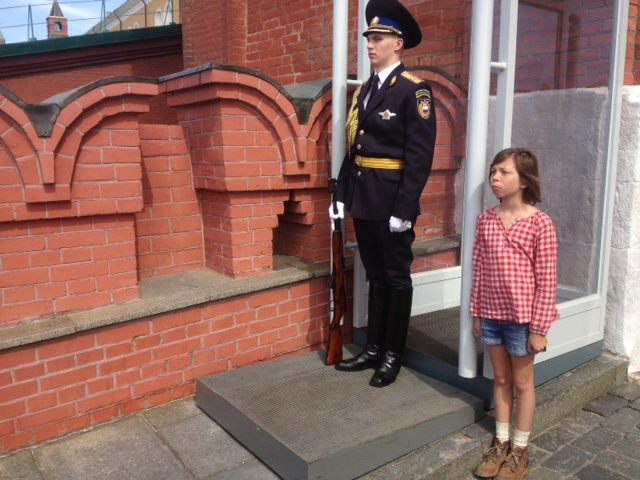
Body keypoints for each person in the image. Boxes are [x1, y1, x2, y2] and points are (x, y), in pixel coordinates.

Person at [329, 0, 437, 387]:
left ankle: (393, 354)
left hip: (393, 201)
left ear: (398, 43)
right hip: (365, 197)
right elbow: (354, 148)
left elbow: (419, 157)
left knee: (396, 276)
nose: (370, 45)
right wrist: (341, 194)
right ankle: (373, 349)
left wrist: (405, 206)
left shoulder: (414, 91)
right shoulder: (366, 91)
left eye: (378, 38)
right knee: (374, 275)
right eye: (369, 38)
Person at [470, 148, 559, 480]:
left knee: (522, 382)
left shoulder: (539, 223)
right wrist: (477, 313)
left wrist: (539, 328)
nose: (495, 178)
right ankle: (501, 443)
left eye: (504, 172)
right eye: (493, 172)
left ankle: (520, 450)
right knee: (501, 379)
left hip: (523, 321)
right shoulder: (486, 220)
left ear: (524, 180)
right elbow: (479, 268)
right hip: (492, 315)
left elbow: (547, 279)